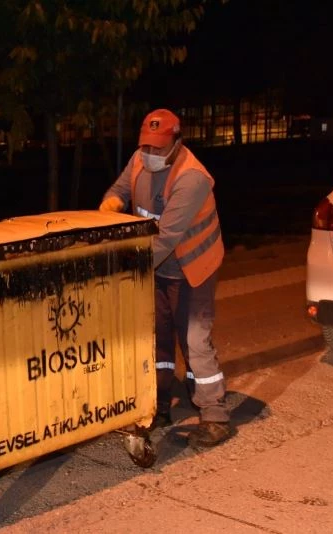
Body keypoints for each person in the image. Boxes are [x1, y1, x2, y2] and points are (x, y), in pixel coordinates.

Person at [99, 108, 231, 448]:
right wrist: (110, 206)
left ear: (177, 142)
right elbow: (120, 188)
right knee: (157, 338)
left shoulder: (192, 178)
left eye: (159, 147)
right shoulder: (140, 160)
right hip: (156, 268)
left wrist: (124, 269)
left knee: (195, 341)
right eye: (146, 146)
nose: (151, 154)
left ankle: (214, 414)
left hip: (192, 268)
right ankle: (157, 404)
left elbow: (166, 238)